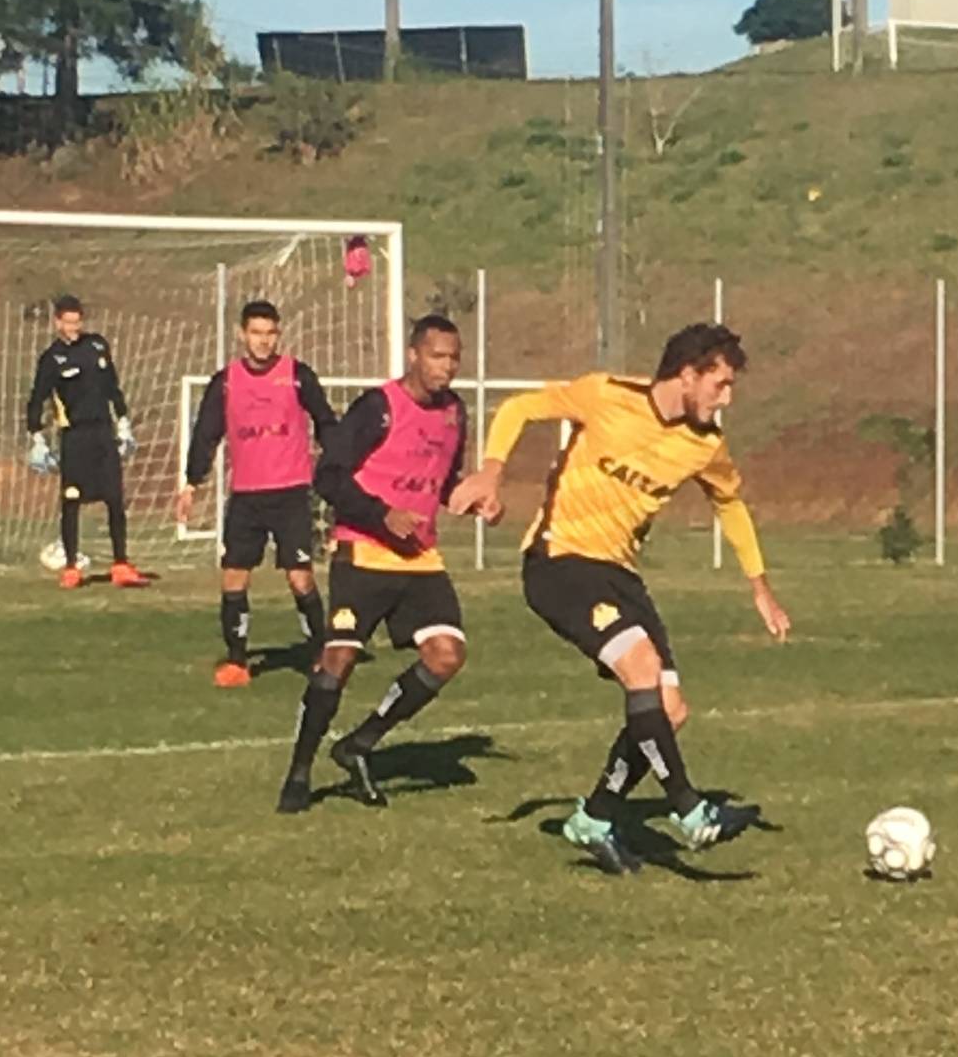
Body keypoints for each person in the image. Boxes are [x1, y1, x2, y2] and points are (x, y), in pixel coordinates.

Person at [455, 322, 790, 875]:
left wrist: (759, 586)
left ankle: (595, 816)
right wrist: (492, 473)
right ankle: (689, 809)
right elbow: (518, 409)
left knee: (670, 711)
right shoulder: (607, 394)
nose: (726, 398)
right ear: (688, 374)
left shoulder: (705, 445)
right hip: (559, 564)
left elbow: (730, 505)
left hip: (620, 576)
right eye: (720, 384)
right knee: (642, 668)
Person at [279, 315, 469, 813]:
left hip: (420, 559)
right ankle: (299, 772)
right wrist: (383, 515)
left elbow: (445, 482)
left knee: (446, 655)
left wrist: (475, 499)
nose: (446, 367)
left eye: (454, 357)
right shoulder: (378, 407)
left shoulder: (455, 413)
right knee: (337, 661)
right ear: (413, 355)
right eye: (437, 356)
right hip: (363, 552)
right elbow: (329, 476)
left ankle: (358, 744)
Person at [179, 300, 338, 686]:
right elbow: (206, 434)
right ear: (242, 335)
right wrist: (191, 483)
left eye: (270, 333)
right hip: (247, 497)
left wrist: (337, 469)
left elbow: (326, 421)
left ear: (278, 334)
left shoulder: (298, 375)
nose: (263, 341)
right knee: (234, 577)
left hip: (291, 493)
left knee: (300, 577)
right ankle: (237, 661)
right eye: (256, 333)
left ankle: (321, 654)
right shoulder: (227, 381)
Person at [26, 295, 140, 589]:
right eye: (68, 322)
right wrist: (36, 437)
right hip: (74, 437)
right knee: (72, 501)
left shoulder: (97, 346)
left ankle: (121, 564)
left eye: (78, 322)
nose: (74, 328)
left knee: (115, 498)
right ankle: (72, 567)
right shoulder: (51, 359)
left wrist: (124, 422)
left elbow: (112, 387)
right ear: (57, 323)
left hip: (104, 433)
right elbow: (37, 399)